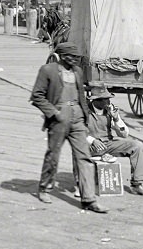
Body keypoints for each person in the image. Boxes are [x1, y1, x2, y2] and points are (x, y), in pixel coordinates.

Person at [29, 42, 107, 213]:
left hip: (77, 118)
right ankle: (44, 188)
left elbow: (81, 96)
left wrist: (84, 116)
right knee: (53, 155)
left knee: (84, 157)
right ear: (63, 56)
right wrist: (54, 113)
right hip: (59, 117)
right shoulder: (48, 70)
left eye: (77, 57)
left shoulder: (78, 72)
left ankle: (89, 199)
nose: (75, 60)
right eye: (72, 57)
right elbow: (37, 96)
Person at [83, 83, 143, 197]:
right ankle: (82, 185)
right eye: (104, 99)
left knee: (137, 146)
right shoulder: (84, 111)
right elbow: (77, 131)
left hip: (108, 144)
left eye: (108, 99)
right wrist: (93, 140)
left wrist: (116, 118)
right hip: (90, 146)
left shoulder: (109, 111)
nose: (108, 102)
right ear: (95, 101)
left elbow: (124, 134)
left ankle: (137, 184)